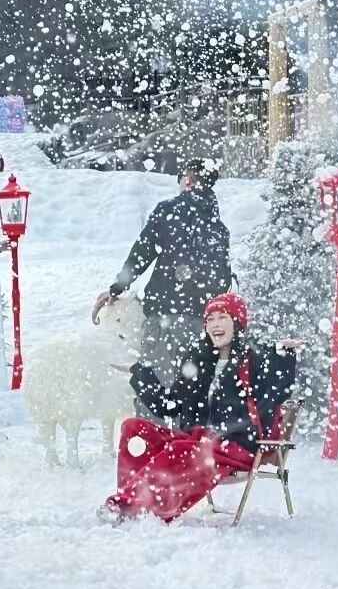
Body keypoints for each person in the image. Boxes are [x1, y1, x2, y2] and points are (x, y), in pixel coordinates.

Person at [100, 293, 300, 524]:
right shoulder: (199, 360)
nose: (215, 324)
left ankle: (127, 506)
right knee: (134, 429)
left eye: (222, 317)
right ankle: (134, 504)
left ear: (237, 322)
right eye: (210, 319)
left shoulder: (254, 358)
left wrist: (284, 357)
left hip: (238, 446)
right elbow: (170, 405)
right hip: (198, 440)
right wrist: (139, 373)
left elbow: (279, 392)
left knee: (180, 449)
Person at [92, 159, 233, 413]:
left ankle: (151, 449)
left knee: (154, 391)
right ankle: (188, 447)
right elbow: (222, 280)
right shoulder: (218, 227)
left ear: (188, 180)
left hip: (164, 320)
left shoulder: (170, 211)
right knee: (192, 394)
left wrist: (116, 289)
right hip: (203, 325)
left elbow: (141, 254)